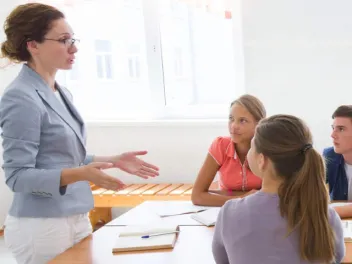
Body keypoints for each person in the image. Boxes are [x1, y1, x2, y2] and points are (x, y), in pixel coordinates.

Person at [0, 3, 159, 264]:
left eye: (72, 39)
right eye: (64, 40)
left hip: (75, 215)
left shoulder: (60, 92)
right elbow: (17, 177)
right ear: (33, 45)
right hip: (40, 224)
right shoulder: (20, 97)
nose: (73, 48)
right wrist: (81, 174)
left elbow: (61, 158)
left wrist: (114, 159)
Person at [212, 115, 345, 264]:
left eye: (252, 146)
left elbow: (223, 260)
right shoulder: (327, 218)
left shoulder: (229, 213)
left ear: (262, 160)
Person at [191, 94, 266, 206]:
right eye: (231, 119)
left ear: (258, 124)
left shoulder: (268, 149)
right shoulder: (220, 145)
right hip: (228, 210)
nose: (234, 126)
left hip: (259, 208)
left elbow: (273, 194)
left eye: (243, 121)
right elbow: (197, 196)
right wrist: (241, 198)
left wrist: (225, 194)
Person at [324, 105, 352, 218]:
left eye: (341, 129)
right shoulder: (330, 156)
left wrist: (325, 211)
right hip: (342, 227)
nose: (333, 135)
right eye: (333, 128)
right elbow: (309, 191)